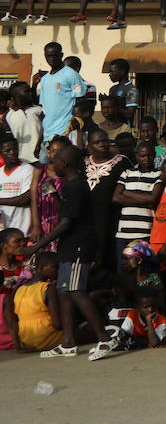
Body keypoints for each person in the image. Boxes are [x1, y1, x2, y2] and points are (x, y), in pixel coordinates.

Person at [21, 144, 111, 357]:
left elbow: (66, 223)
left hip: (78, 244)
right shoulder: (71, 186)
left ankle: (105, 339)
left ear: (66, 163)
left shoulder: (76, 186)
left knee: (75, 290)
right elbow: (69, 213)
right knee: (63, 291)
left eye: (57, 161)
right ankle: (69, 343)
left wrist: (36, 246)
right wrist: (54, 197)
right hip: (69, 244)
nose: (54, 165)